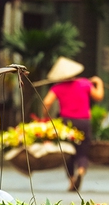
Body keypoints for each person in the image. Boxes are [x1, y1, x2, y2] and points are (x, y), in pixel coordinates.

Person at [41, 57, 104, 191]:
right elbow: (98, 96)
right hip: (84, 122)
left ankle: (71, 180)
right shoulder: (85, 83)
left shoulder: (57, 87)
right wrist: (99, 82)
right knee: (83, 151)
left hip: (66, 124)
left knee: (68, 152)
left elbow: (46, 103)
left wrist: (46, 117)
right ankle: (81, 171)